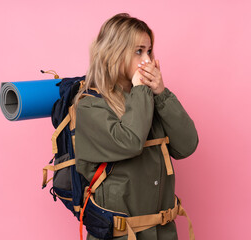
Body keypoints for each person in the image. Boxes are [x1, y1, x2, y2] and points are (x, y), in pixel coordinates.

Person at [74, 13, 199, 240]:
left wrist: (161, 94)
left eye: (149, 51)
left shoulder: (149, 99)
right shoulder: (90, 106)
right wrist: (142, 90)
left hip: (163, 233)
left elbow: (187, 145)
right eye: (138, 51)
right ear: (115, 52)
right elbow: (130, 142)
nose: (148, 60)